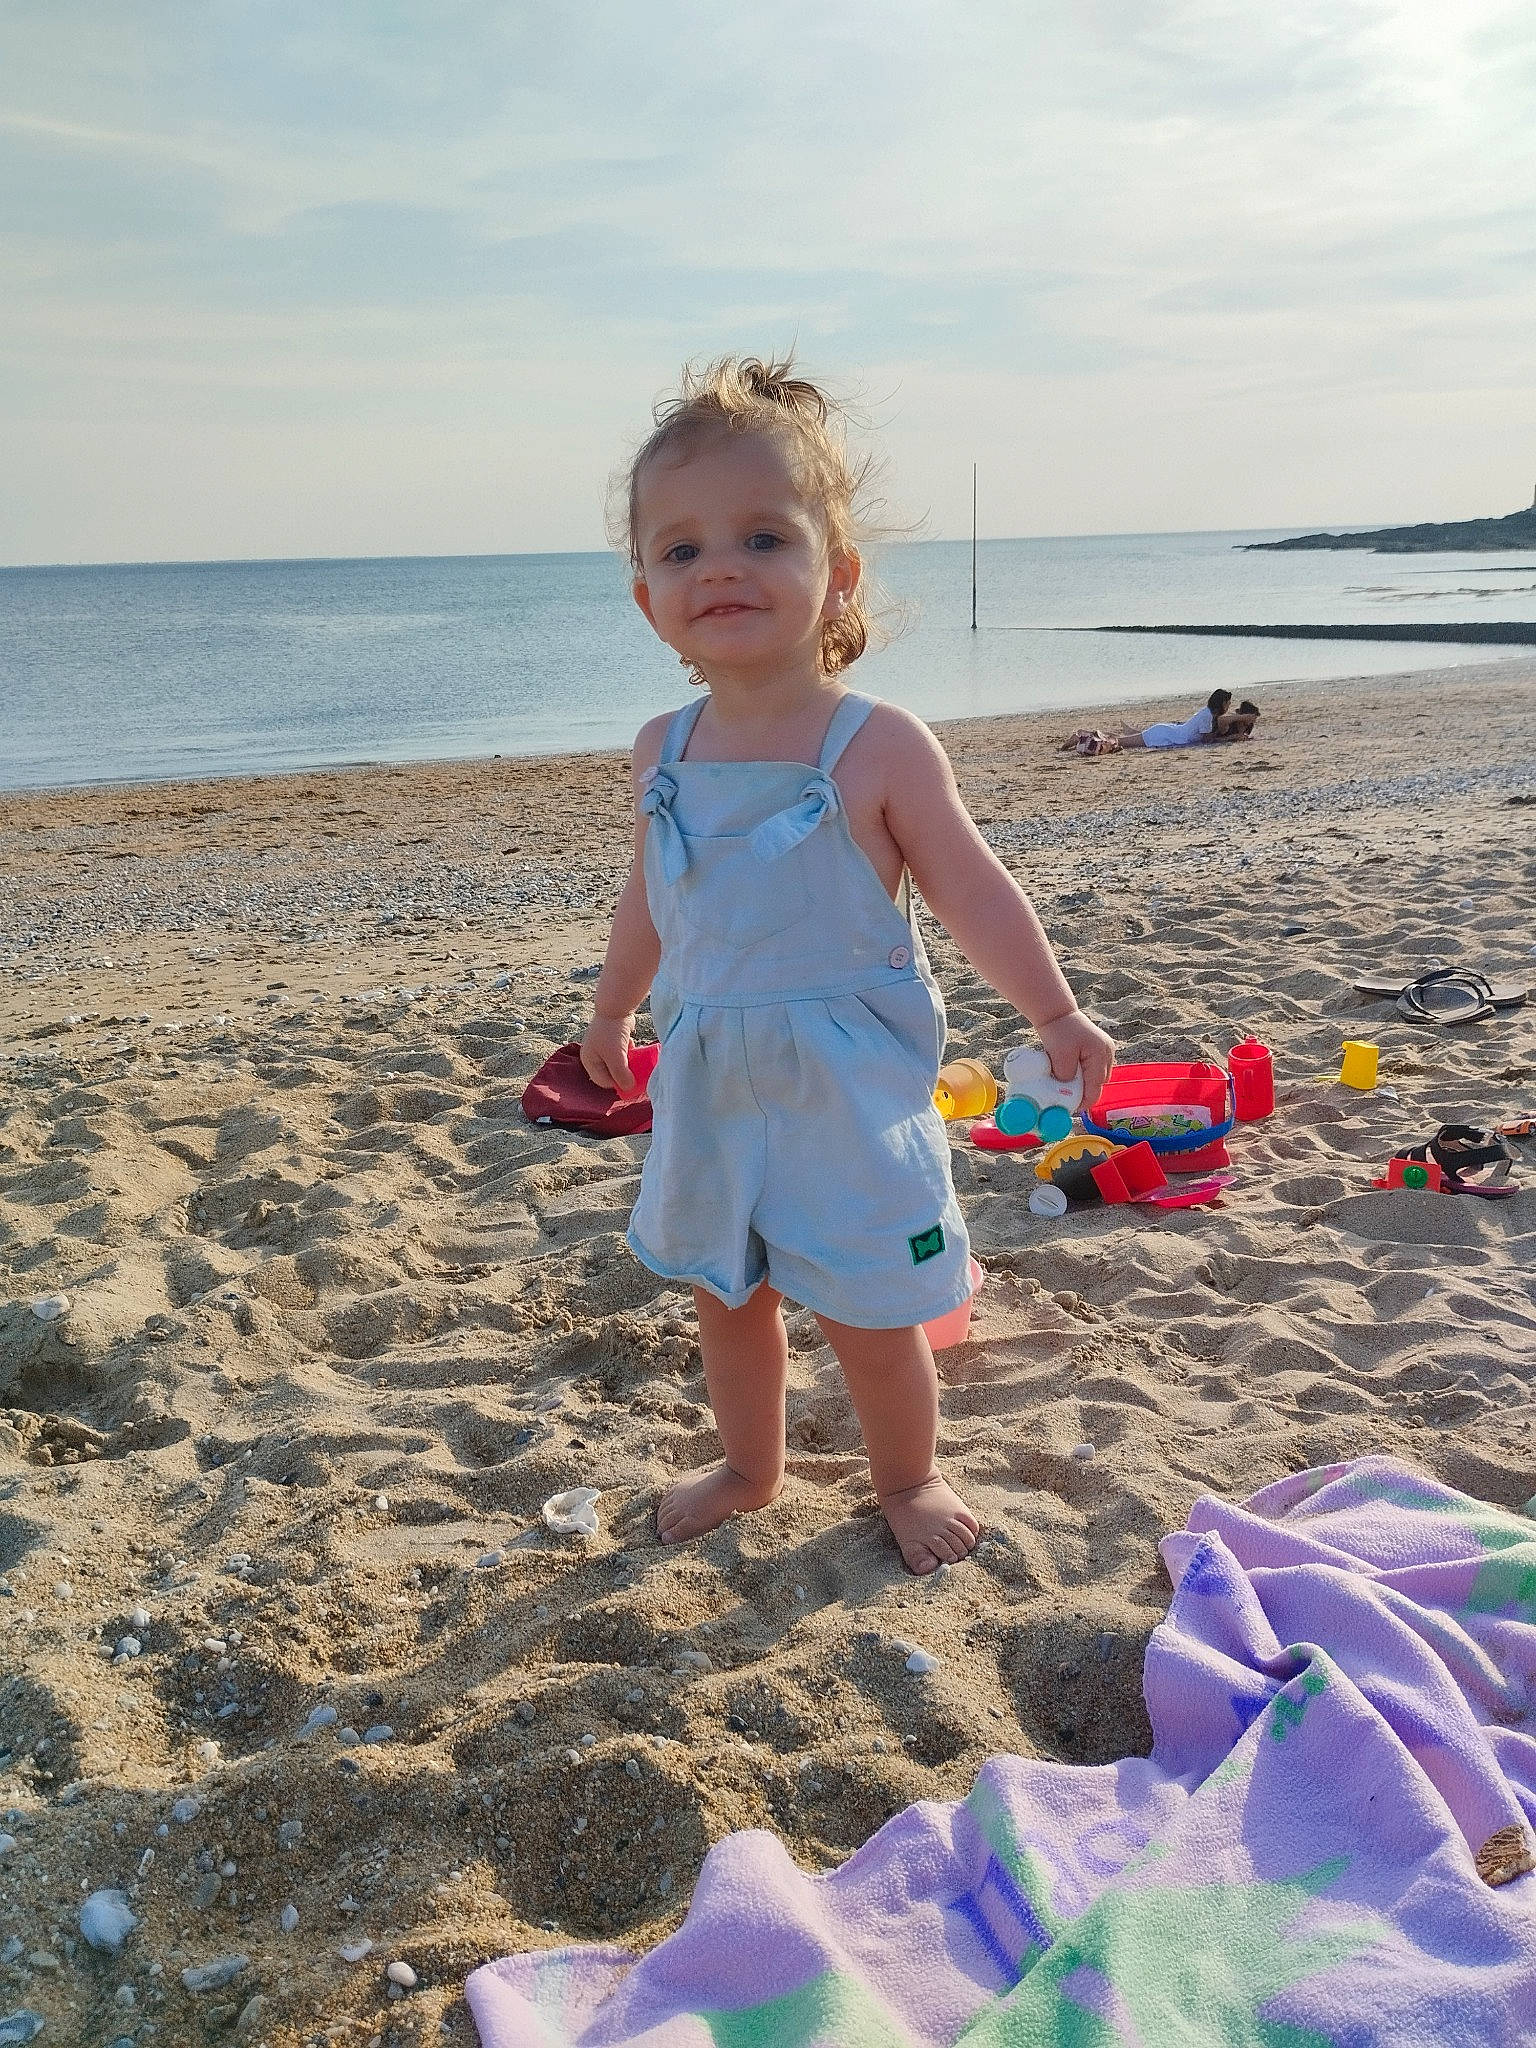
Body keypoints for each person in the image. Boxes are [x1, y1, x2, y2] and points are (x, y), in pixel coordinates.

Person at [579, 356, 1114, 1575]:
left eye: (763, 536)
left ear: (838, 576)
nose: (720, 566)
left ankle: (910, 1473)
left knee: (873, 1304)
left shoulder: (874, 744)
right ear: (646, 598)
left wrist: (1053, 1006)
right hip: (712, 1074)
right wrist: (612, 1002)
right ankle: (751, 1463)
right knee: (729, 1295)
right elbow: (653, 893)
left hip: (845, 1081)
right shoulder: (664, 747)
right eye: (682, 550)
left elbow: (971, 885)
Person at [1116, 688, 1233, 750]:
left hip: (1171, 732)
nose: (1228, 707)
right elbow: (1207, 740)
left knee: (1129, 740)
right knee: (1121, 742)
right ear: (1222, 703)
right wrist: (1229, 737)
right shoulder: (1207, 715)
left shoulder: (1209, 714)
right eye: (1228, 704)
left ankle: (1128, 732)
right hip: (1168, 735)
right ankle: (1106, 739)